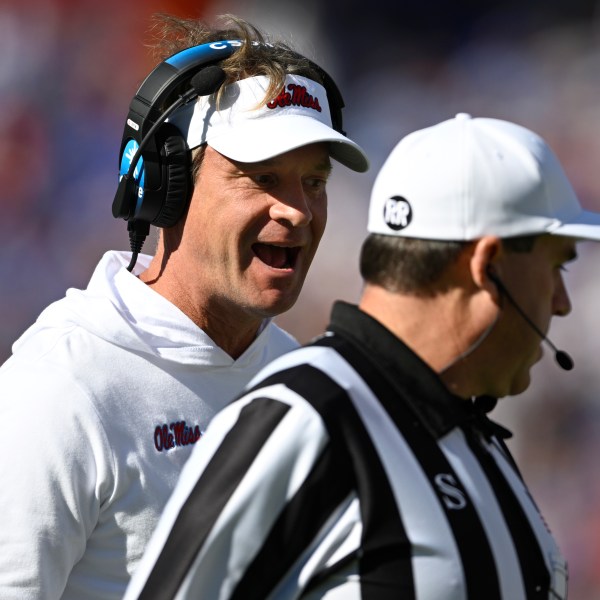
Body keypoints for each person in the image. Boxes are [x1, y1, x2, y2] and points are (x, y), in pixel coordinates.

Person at [123, 112, 600, 600]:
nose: (562, 301)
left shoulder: (474, 436)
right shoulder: (307, 418)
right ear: (487, 266)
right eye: (557, 265)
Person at [0, 13, 368, 600]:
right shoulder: (63, 389)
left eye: (314, 182)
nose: (297, 210)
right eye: (262, 177)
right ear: (167, 186)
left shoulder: (305, 383)